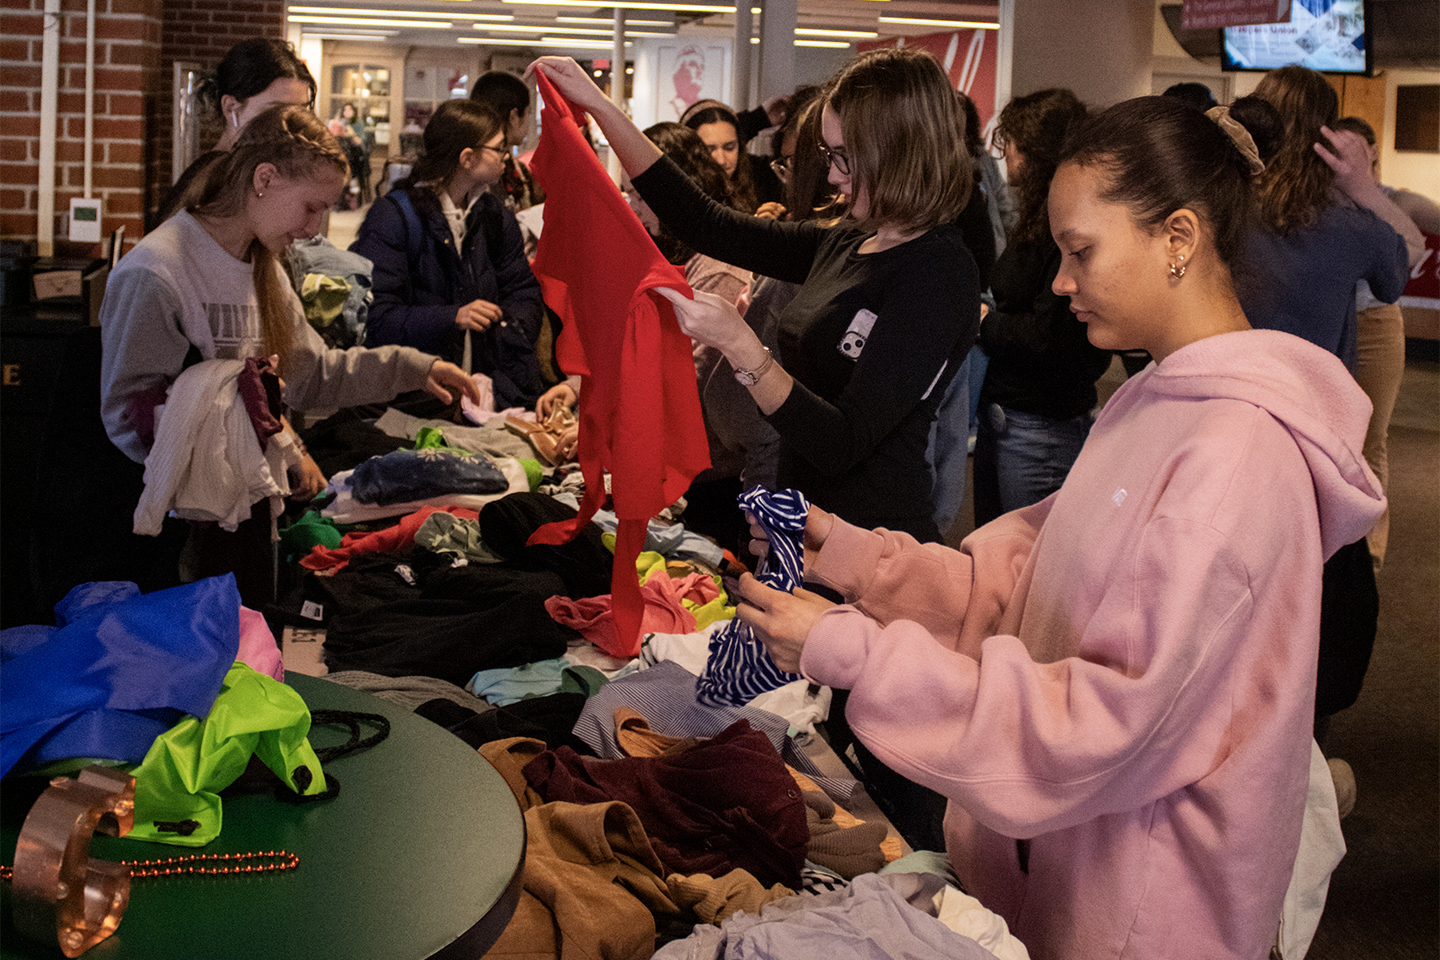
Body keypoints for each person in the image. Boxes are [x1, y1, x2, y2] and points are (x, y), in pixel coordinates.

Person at [730, 95, 1384, 960]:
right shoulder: (1159, 401)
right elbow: (1036, 588)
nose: (1060, 281)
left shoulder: (1233, 457)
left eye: (1081, 251)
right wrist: (860, 562)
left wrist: (856, 649)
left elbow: (1105, 720)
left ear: (1178, 238)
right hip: (1077, 878)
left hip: (1144, 912)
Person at [530, 47, 981, 853]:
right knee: (818, 762)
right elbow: (705, 220)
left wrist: (746, 349)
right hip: (804, 538)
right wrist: (600, 108)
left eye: (847, 158)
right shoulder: (855, 240)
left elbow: (844, 440)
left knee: (876, 776)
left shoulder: (939, 270)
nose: (833, 176)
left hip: (877, 556)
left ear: (899, 151)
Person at [99, 104, 480, 605]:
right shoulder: (156, 272)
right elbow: (128, 420)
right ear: (264, 179)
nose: (317, 229)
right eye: (311, 206)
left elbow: (313, 375)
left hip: (241, 527)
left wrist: (414, 367)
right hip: (169, 546)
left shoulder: (263, 266)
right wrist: (246, 434)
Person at [972, 88, 1112, 528]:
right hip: (1012, 419)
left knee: (1027, 573)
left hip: (1041, 427)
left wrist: (986, 323)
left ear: (1031, 149)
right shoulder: (1040, 218)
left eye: (1010, 145)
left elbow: (1051, 335)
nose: (1006, 159)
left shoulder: (1068, 226)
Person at [351, 99, 546, 413]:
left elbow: (524, 292)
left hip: (486, 399)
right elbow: (376, 319)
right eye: (499, 149)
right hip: (413, 400)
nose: (506, 158)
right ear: (467, 158)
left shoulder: (494, 214)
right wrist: (453, 317)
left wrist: (504, 330)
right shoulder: (394, 217)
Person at [1330, 115, 1437, 573]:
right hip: (1327, 317)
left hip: (1374, 323)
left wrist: (1366, 190)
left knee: (1371, 439)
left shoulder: (1395, 200)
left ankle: (1369, 557)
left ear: (1372, 151)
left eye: (1354, 148)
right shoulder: (1321, 197)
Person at [157, 38, 316, 222]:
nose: (294, 125)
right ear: (231, 107)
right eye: (276, 111)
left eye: (301, 112)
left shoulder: (250, 170)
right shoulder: (217, 182)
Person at [681, 99, 784, 215]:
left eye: (729, 148)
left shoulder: (761, 178)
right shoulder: (678, 191)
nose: (721, 160)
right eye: (708, 150)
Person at [470, 70, 546, 214]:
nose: (502, 157)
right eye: (528, 113)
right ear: (514, 116)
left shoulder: (468, 163)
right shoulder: (484, 170)